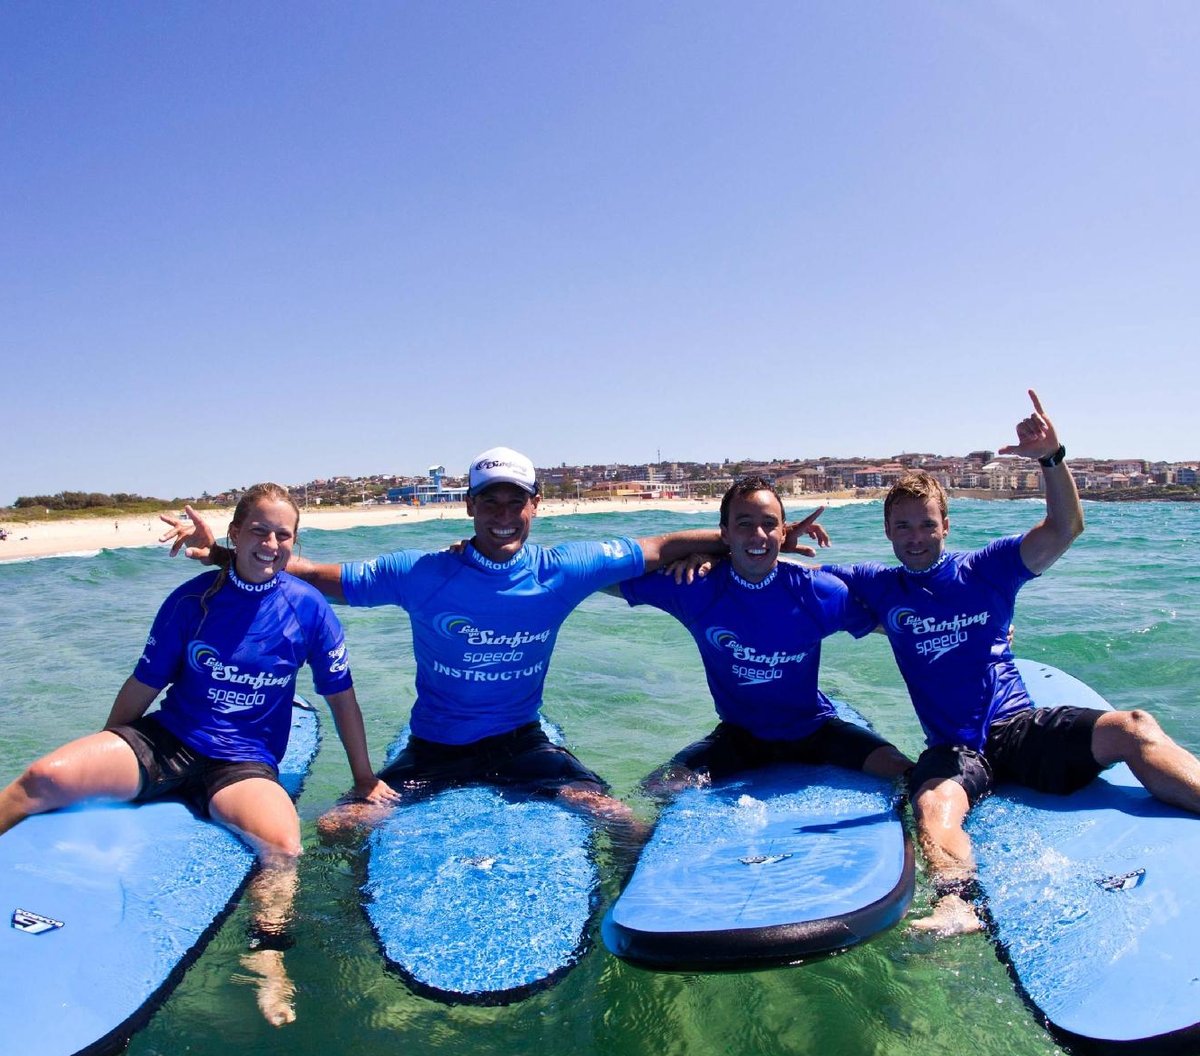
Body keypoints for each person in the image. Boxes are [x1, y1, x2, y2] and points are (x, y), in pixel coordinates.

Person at [164, 449, 759, 841]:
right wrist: (226, 551)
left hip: (522, 744)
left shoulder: (565, 567)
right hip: (436, 749)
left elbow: (663, 545)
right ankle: (343, 934)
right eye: (489, 501)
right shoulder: (425, 571)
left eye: (515, 500)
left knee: (621, 821)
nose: (504, 514)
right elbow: (318, 577)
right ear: (469, 506)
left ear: (535, 506)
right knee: (339, 828)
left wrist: (743, 543)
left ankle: (624, 923)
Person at [0, 483, 394, 1024]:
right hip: (167, 741)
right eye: (259, 530)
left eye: (284, 534)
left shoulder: (309, 609)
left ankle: (268, 955)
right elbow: (144, 683)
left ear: (294, 542)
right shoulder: (193, 600)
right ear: (234, 534)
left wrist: (365, 776)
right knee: (43, 777)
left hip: (242, 762)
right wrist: (111, 750)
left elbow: (342, 698)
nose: (271, 543)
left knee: (283, 846)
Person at [826, 391, 1200, 936]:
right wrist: (758, 542)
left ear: (945, 525)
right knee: (932, 800)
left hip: (1017, 728)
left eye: (925, 525)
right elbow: (789, 584)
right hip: (955, 750)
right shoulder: (878, 586)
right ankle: (957, 905)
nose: (914, 537)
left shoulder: (986, 570)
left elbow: (1064, 527)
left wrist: (1051, 458)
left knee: (1135, 727)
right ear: (888, 533)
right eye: (902, 527)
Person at [617, 476, 911, 793]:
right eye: (744, 524)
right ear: (724, 533)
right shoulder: (697, 587)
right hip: (741, 737)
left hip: (813, 732)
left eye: (769, 524)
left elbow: (898, 626)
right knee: (656, 788)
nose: (758, 533)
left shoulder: (816, 591)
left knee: (903, 770)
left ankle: (912, 842)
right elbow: (607, 571)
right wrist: (708, 550)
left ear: (783, 532)